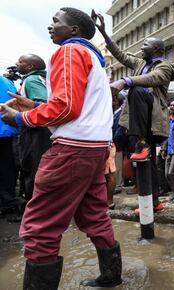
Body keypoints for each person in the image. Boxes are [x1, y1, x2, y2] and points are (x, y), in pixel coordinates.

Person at [0, 7, 121, 288]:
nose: (50, 26)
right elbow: (78, 108)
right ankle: (111, 277)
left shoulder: (69, 52)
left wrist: (21, 117)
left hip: (71, 150)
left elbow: (66, 107)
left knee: (40, 227)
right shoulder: (94, 59)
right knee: (94, 215)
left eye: (56, 21)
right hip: (94, 149)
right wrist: (35, 107)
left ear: (74, 30)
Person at [93, 10, 174, 214]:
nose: (141, 47)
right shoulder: (140, 63)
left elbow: (153, 79)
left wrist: (126, 81)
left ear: (156, 49)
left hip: (152, 119)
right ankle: (152, 203)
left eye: (145, 45)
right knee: (142, 163)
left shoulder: (165, 66)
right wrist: (104, 34)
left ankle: (141, 142)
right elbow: (120, 55)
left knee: (137, 88)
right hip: (137, 121)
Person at [15, 54, 52, 212]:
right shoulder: (41, 79)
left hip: (37, 131)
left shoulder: (31, 80)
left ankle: (34, 209)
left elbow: (42, 103)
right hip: (42, 131)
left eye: (20, 61)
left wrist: (17, 114)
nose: (17, 64)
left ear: (30, 67)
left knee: (32, 168)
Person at [0, 76, 19, 215]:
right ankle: (8, 201)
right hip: (8, 128)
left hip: (5, 127)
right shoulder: (8, 82)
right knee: (7, 166)